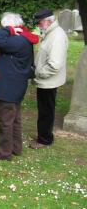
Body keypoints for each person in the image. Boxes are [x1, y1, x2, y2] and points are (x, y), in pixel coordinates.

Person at [0, 13, 39, 160]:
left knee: (4, 120)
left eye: (6, 26)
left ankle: (4, 152)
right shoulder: (23, 39)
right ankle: (16, 148)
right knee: (15, 118)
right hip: (16, 84)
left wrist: (8, 30)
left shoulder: (17, 40)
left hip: (9, 86)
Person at [30, 9, 68, 149]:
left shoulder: (56, 36)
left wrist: (38, 73)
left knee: (46, 111)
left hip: (48, 81)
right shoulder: (50, 33)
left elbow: (54, 64)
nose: (39, 26)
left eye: (40, 23)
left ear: (48, 21)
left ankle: (44, 139)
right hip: (46, 81)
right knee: (45, 109)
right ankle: (44, 135)